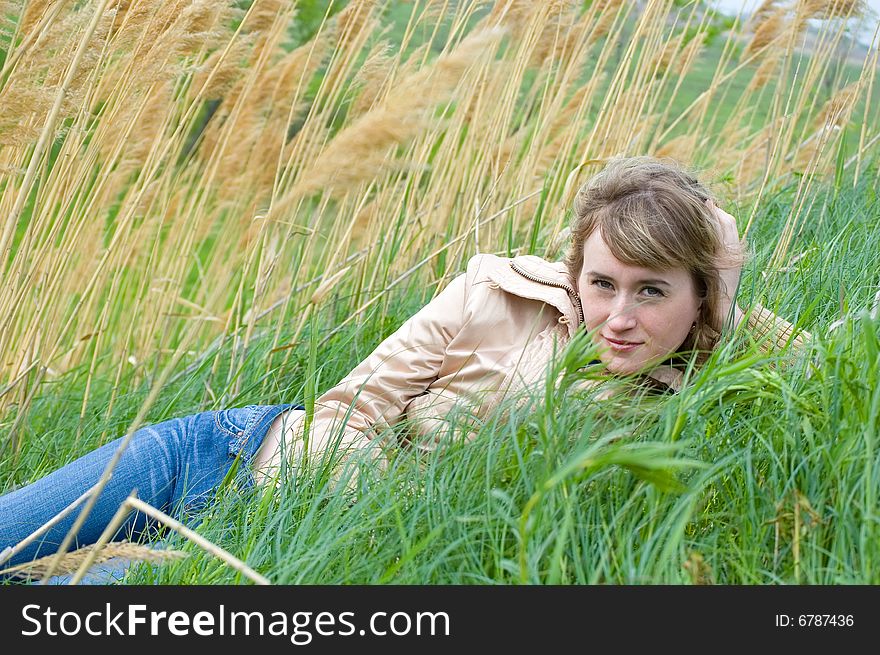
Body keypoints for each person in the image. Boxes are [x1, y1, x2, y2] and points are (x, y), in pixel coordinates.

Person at [0, 156, 809, 578]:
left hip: (261, 549)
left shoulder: (699, 384)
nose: (621, 316)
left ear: (701, 295)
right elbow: (348, 408)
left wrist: (726, 298)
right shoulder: (491, 289)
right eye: (602, 283)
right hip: (227, 454)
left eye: (653, 291)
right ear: (576, 272)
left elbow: (829, 375)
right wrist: (387, 488)